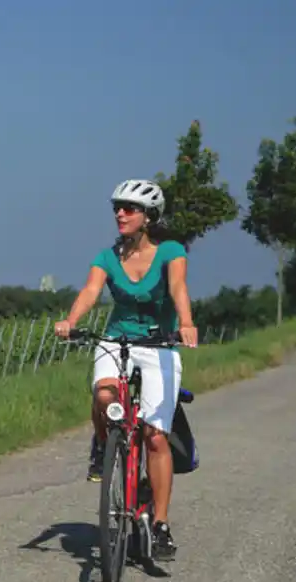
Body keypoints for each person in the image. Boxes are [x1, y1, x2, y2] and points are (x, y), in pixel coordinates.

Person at [54, 178, 199, 561]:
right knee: (104, 395)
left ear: (149, 216)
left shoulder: (170, 251)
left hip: (159, 344)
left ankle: (161, 525)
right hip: (116, 340)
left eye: (129, 208)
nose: (120, 213)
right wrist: (70, 321)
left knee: (155, 436)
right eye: (117, 207)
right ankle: (106, 444)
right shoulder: (107, 257)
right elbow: (90, 291)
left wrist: (186, 323)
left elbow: (178, 287)